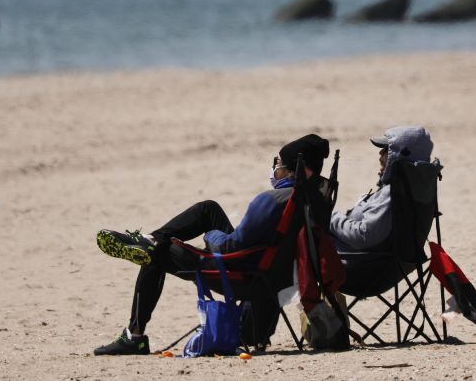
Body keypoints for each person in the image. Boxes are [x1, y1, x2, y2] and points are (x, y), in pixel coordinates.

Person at [92, 133, 331, 356]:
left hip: (240, 272)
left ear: (294, 171)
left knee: (156, 253)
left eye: (278, 165)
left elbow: (228, 247)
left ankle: (134, 336)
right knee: (209, 209)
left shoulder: (270, 201)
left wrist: (211, 235)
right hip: (275, 274)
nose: (273, 170)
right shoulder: (317, 196)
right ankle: (153, 238)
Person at [328, 125, 434, 253]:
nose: (380, 153)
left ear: (400, 155)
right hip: (389, 261)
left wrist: (329, 216)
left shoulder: (392, 193)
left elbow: (363, 236)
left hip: (355, 260)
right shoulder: (416, 188)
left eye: (386, 149)